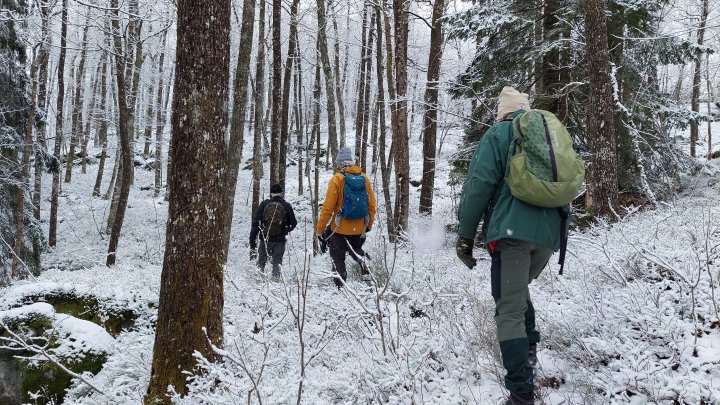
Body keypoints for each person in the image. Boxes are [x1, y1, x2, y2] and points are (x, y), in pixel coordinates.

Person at [455, 87, 570, 405]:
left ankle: (521, 393)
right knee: (516, 297)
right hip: (547, 235)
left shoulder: (499, 133)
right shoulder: (547, 135)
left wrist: (466, 235)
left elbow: (479, 184)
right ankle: (528, 364)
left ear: (502, 112)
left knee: (508, 307)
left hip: (513, 233)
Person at [316, 147, 377, 288]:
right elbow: (372, 205)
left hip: (339, 230)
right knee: (358, 252)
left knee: (338, 259)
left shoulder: (337, 179)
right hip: (359, 229)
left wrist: (320, 230)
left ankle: (340, 290)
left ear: (339, 164)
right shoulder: (364, 178)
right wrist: (367, 226)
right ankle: (368, 277)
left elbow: (328, 208)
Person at [250, 184, 297, 278]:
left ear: (271, 194)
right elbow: (294, 223)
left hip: (265, 238)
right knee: (277, 262)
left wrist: (252, 241)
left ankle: (259, 282)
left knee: (261, 262)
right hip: (280, 240)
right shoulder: (286, 205)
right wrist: (286, 230)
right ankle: (276, 281)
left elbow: (255, 224)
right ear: (281, 193)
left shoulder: (264, 204)